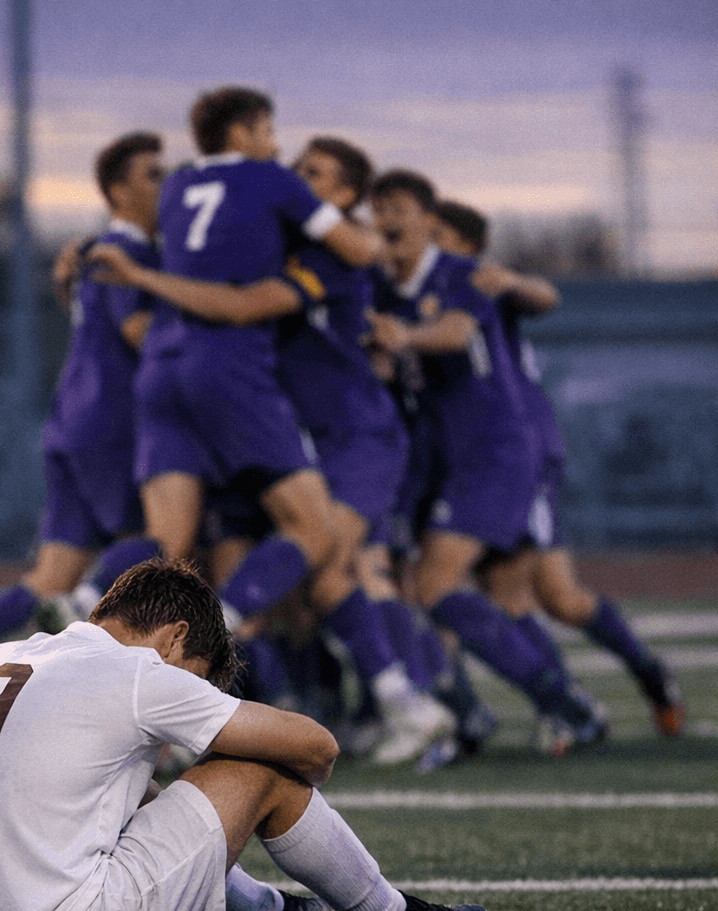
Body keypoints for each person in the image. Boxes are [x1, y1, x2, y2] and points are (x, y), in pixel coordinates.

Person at [0, 559, 488, 911]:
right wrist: (259, 779)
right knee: (261, 769)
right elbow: (317, 747)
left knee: (141, 796)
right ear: (174, 639)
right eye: (196, 675)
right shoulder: (139, 671)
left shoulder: (6, 657)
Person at [92, 128, 452, 765]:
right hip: (300, 436)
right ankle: (399, 706)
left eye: (314, 173)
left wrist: (140, 274)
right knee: (317, 583)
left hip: (359, 437)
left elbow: (245, 303)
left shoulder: (326, 255)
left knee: (333, 560)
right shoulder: (285, 243)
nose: (295, 175)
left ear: (343, 196)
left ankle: (427, 702)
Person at [0, 132, 166, 720]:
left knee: (52, 575)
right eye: (152, 174)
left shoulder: (100, 250)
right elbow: (138, 333)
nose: (165, 183)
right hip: (113, 424)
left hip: (72, 418)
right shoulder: (128, 252)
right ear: (118, 190)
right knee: (161, 546)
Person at [366, 171, 606, 755]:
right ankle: (468, 709)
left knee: (445, 582)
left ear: (429, 220)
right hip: (436, 458)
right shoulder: (380, 286)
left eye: (400, 208)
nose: (388, 221)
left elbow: (454, 331)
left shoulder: (457, 273)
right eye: (380, 210)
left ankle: (566, 702)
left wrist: (401, 338)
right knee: (443, 587)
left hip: (493, 451)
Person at [432, 200, 684, 738]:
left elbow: (544, 295)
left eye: (440, 236)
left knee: (557, 597)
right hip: (474, 459)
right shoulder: (423, 292)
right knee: (507, 591)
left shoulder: (476, 285)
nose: (429, 247)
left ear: (469, 248)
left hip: (519, 453)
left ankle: (640, 675)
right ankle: (571, 706)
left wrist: (509, 280)